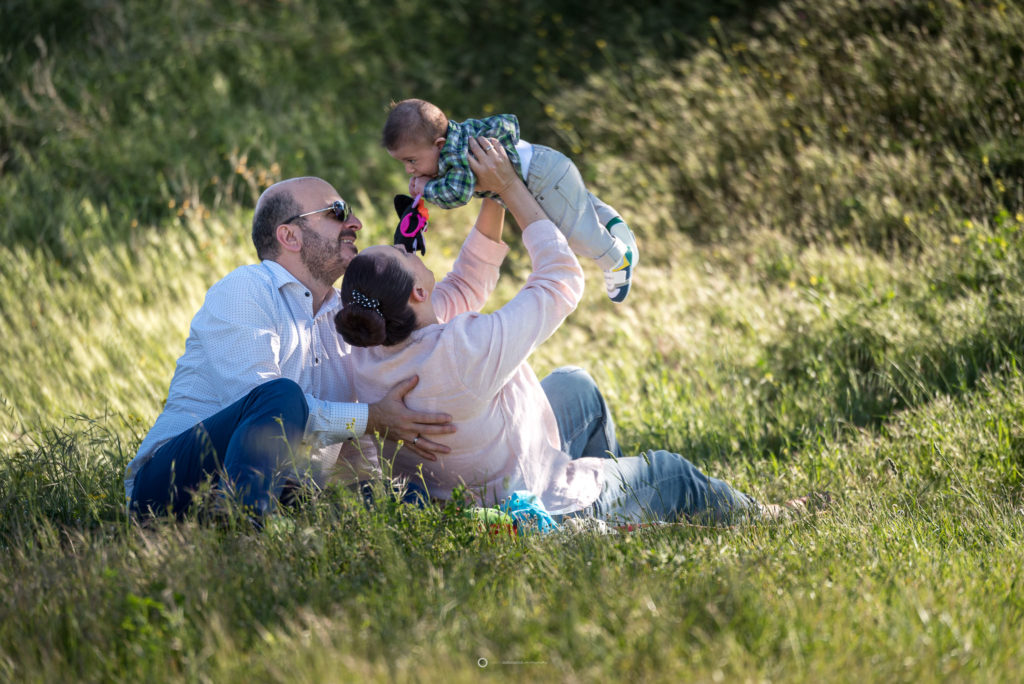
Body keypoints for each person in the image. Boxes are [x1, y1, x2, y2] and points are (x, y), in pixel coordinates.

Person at [334, 138, 773, 526]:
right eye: (403, 253)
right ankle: (763, 515)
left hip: (472, 476)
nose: (409, 248)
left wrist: (493, 197)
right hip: (524, 497)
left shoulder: (370, 349)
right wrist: (513, 189)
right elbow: (561, 280)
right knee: (670, 472)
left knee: (576, 386)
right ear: (416, 291)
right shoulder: (465, 350)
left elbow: (467, 284)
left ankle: (618, 512)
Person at [126, 176, 479, 521]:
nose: (355, 223)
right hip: (172, 484)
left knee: (406, 497)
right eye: (337, 212)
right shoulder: (246, 289)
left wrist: (378, 476)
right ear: (289, 235)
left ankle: (259, 518)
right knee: (279, 395)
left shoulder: (348, 318)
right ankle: (244, 524)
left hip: (289, 491)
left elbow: (358, 443)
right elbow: (262, 412)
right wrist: (372, 418)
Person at [381, 98, 639, 303]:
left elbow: (456, 195)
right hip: (546, 163)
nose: (409, 170)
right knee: (580, 206)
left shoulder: (455, 156)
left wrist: (427, 188)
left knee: (573, 232)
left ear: (438, 144)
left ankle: (616, 259)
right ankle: (613, 224)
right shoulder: (459, 137)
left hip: (541, 180)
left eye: (411, 160)